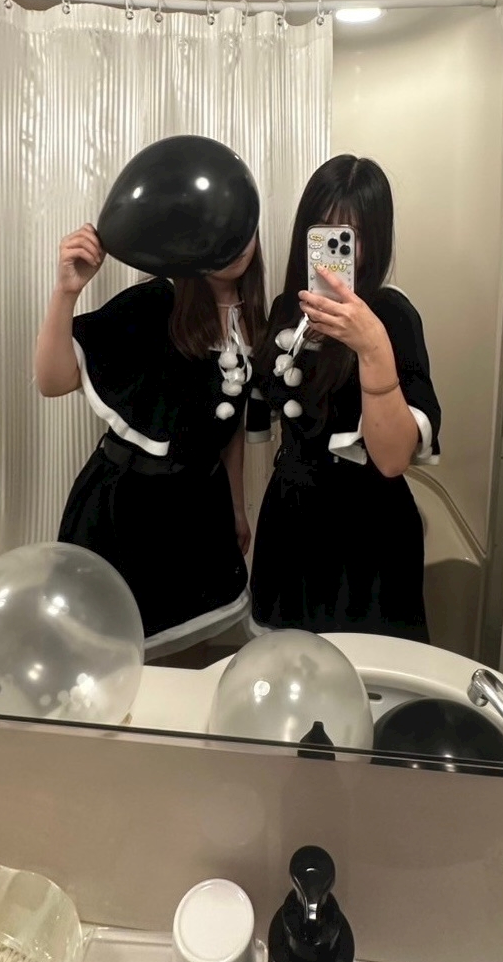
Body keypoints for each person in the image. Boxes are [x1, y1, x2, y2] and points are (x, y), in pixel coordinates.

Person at [35, 223, 267, 656]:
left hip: (196, 513)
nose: (233, 244)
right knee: (106, 655)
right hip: (124, 510)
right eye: (217, 228)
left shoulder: (253, 319)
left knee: (181, 660)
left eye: (242, 228)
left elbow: (230, 427)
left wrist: (238, 507)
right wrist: (66, 292)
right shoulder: (156, 300)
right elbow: (53, 381)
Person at [247, 155, 441, 642]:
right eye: (325, 231)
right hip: (290, 517)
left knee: (366, 672)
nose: (336, 250)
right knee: (289, 665)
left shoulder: (391, 315)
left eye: (350, 236)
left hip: (366, 532)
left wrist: (372, 346)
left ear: (374, 240)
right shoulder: (287, 309)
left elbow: (392, 459)